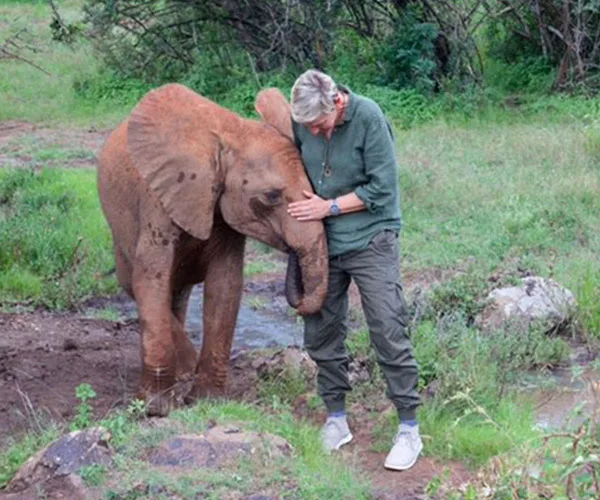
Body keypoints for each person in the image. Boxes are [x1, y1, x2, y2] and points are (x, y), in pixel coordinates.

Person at [287, 69, 422, 471]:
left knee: (387, 326)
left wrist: (327, 206)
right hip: (322, 242)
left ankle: (409, 428)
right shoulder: (305, 124)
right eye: (306, 126)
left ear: (338, 103)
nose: (312, 130)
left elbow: (383, 189)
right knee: (322, 327)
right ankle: (336, 418)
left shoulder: (368, 118)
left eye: (319, 123)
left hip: (371, 236)